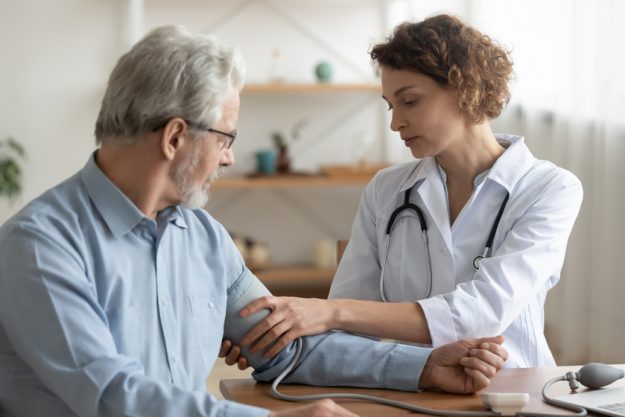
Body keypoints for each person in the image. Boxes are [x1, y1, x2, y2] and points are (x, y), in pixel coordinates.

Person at [0, 25, 509, 417]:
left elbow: (284, 346)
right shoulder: (40, 247)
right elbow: (112, 396)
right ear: (175, 137)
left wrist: (423, 366)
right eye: (226, 138)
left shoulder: (202, 238)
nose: (227, 159)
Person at [222, 14, 583, 370]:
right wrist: (267, 339)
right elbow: (346, 323)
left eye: (410, 102)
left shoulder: (548, 189)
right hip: (412, 386)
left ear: (466, 88)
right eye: (390, 105)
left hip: (516, 391)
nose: (395, 123)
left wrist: (327, 311)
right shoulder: (387, 189)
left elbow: (481, 314)